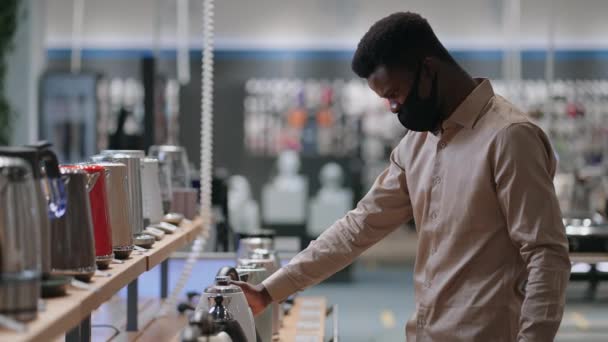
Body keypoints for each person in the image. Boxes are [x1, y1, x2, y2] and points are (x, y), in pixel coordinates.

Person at [234, 12, 571, 341]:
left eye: (395, 94)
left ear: (428, 70)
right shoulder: (417, 143)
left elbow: (546, 254)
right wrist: (269, 291)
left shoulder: (510, 137)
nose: (393, 108)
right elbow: (359, 227)